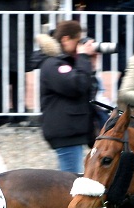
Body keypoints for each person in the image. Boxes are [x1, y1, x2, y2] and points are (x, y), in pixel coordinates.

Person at [31, 20, 98, 174]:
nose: (79, 46)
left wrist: (90, 65)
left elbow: (88, 90)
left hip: (72, 130)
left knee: (71, 180)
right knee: (71, 182)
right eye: (78, 41)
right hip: (66, 132)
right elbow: (76, 86)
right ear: (66, 39)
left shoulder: (66, 63)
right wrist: (82, 57)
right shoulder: (51, 64)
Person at [0, 0, 41, 126]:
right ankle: (4, 116)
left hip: (19, 18)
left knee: (18, 71)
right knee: (5, 72)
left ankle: (17, 114)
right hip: (7, 18)